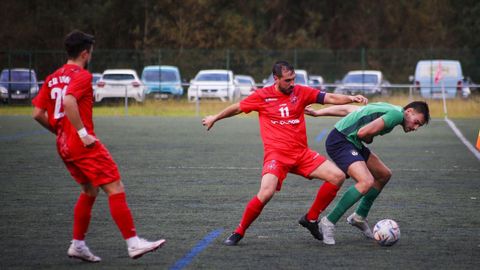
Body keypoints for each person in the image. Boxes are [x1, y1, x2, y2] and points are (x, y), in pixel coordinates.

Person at [32, 30, 165, 262]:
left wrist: (61, 131)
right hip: (82, 145)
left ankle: (78, 244)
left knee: (89, 190)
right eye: (91, 51)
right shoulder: (82, 76)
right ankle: (133, 243)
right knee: (115, 186)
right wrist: (82, 133)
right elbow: (69, 100)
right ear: (85, 53)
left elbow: (37, 113)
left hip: (63, 146)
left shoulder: (53, 77)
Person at [202, 61, 368, 246]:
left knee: (337, 176)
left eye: (293, 79)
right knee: (266, 193)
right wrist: (215, 118)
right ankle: (239, 231)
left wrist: (351, 98)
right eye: (287, 80)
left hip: (302, 154)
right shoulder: (262, 96)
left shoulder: (301, 92)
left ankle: (310, 219)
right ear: (276, 79)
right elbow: (237, 107)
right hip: (276, 156)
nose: (291, 83)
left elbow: (329, 97)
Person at [304, 101, 430, 245]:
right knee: (366, 181)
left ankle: (359, 217)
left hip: (352, 142)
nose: (415, 127)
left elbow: (350, 109)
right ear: (409, 111)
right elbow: (362, 133)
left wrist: (319, 112)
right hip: (341, 141)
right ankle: (329, 221)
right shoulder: (396, 114)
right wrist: (369, 138)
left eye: (419, 125)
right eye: (416, 122)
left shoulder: (390, 108)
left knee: (384, 174)